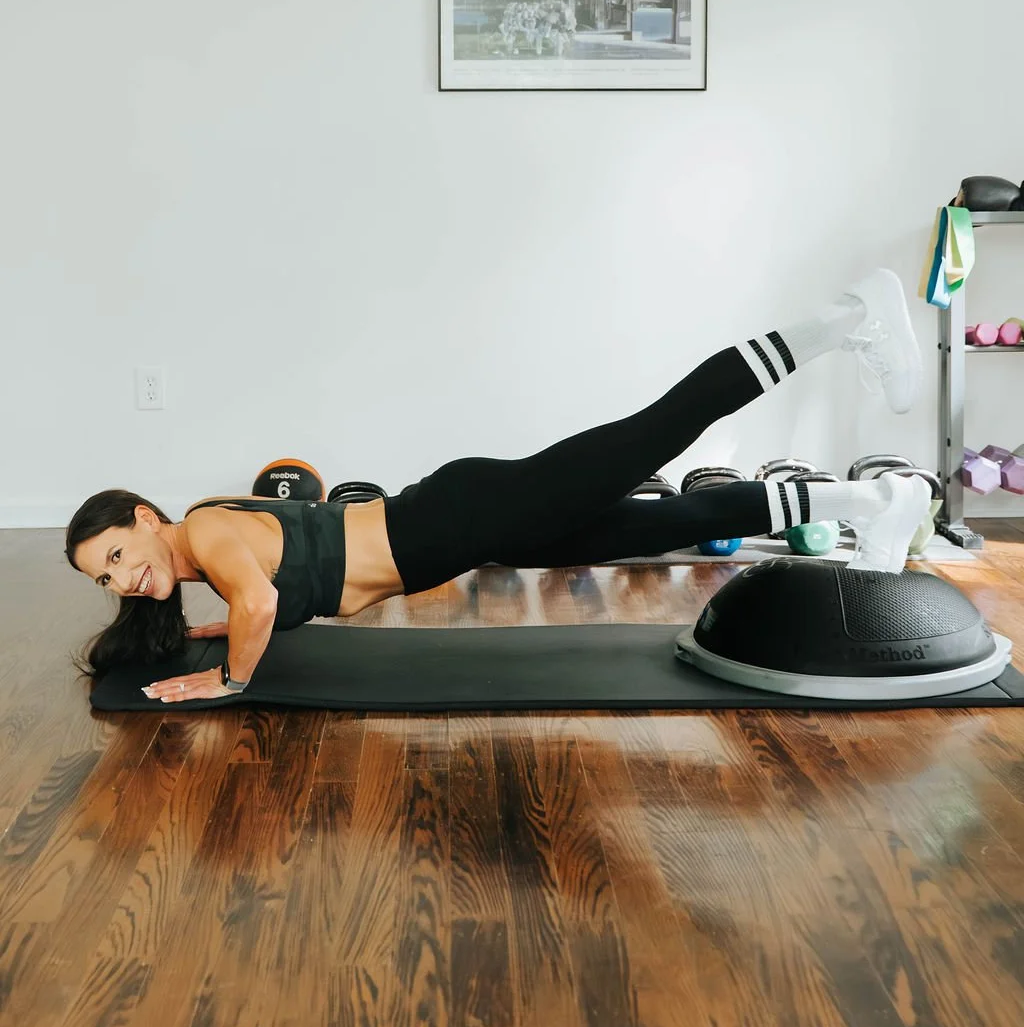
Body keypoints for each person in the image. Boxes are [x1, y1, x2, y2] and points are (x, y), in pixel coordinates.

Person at [68, 268, 930, 704]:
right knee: (650, 527)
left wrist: (226, 683)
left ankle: (854, 318)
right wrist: (229, 612)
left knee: (658, 429)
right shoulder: (211, 554)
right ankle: (870, 504)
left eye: (116, 553)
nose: (120, 578)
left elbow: (258, 607)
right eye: (103, 578)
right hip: (461, 521)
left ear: (148, 518)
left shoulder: (208, 535)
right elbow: (268, 594)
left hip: (458, 515)